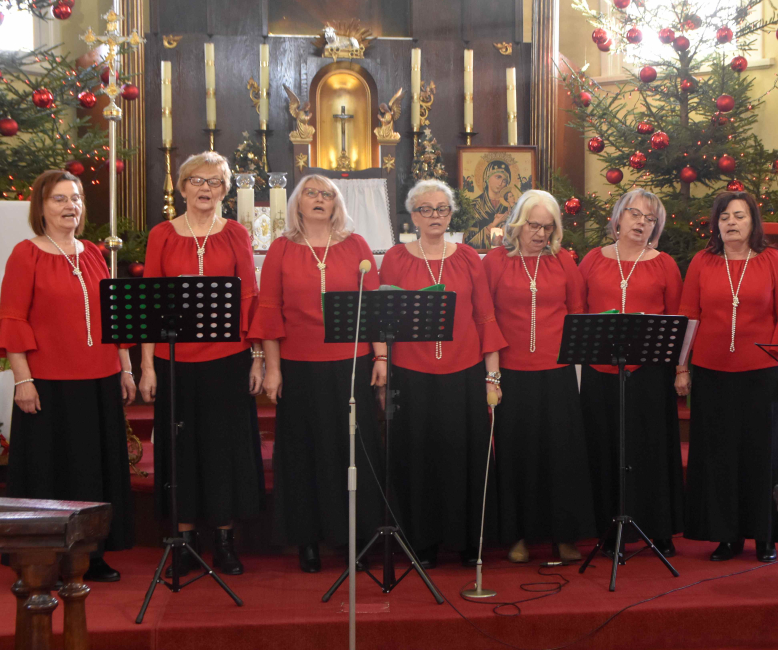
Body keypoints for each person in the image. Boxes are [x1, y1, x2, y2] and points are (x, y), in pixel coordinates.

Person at [0, 170, 136, 582]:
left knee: (95, 471)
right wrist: (22, 380)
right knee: (51, 472)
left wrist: (125, 368)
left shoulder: (93, 253)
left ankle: (92, 555)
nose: (71, 206)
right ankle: (46, 557)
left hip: (100, 378)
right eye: (60, 199)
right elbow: (13, 321)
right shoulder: (26, 254)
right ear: (42, 207)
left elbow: (114, 316)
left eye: (77, 198)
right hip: (47, 383)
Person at [250, 174, 386, 573]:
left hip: (351, 363)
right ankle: (307, 540)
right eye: (311, 193)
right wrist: (273, 369)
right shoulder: (281, 248)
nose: (319, 199)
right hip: (299, 365)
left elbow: (374, 305)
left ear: (336, 204)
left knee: (352, 451)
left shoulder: (356, 245)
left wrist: (380, 357)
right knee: (302, 453)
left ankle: (355, 537)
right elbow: (269, 311)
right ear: (298, 202)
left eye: (327, 194)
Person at [139, 152, 264, 577]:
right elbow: (150, 302)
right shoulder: (161, 235)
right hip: (173, 359)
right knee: (180, 450)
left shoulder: (236, 234)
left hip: (228, 360)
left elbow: (249, 297)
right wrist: (147, 366)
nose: (205, 188)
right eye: (197, 180)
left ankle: (225, 541)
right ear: (182, 186)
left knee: (224, 449)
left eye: (214, 182)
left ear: (225, 190)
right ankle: (184, 541)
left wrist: (257, 357)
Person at [379, 179, 507, 568]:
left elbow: (485, 316)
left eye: (442, 209)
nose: (435, 215)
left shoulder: (468, 257)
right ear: (413, 216)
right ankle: (422, 541)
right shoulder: (395, 258)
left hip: (463, 373)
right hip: (411, 374)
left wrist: (492, 376)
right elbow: (384, 318)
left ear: (451, 214)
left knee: (462, 456)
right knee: (418, 459)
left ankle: (468, 540)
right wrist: (381, 363)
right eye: (426, 209)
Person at [677, 192, 778, 562]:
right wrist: (681, 367)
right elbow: (689, 317)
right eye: (724, 217)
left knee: (762, 456)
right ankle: (725, 536)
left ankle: (765, 536)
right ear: (716, 224)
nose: (731, 222)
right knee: (717, 456)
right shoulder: (702, 261)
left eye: (739, 216)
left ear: (753, 222)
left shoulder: (772, 259)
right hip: (711, 372)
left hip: (763, 372)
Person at [482, 189, 593, 564]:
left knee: (561, 455)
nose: (541, 234)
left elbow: (577, 314)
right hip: (512, 373)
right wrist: (492, 375)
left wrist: (577, 370)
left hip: (557, 373)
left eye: (548, 227)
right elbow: (486, 317)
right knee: (517, 456)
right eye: (534, 225)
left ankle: (564, 535)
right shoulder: (495, 262)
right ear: (517, 223)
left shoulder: (563, 262)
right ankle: (517, 535)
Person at [579, 188, 684, 558]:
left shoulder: (664, 264)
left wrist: (680, 368)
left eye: (650, 218)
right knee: (604, 448)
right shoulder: (592, 260)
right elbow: (578, 313)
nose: (641, 222)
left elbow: (678, 321)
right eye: (635, 214)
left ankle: (659, 527)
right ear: (618, 217)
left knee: (650, 447)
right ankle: (608, 529)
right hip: (599, 371)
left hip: (648, 372)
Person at [464, 159, 515, 251]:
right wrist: (494, 224)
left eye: (504, 181)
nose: (500, 183)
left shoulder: (509, 207)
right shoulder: (474, 206)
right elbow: (468, 242)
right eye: (498, 177)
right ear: (487, 178)